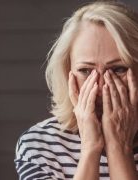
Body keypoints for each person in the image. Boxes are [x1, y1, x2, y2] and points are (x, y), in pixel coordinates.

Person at [14, 1, 138, 179]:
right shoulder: (39, 145)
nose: (101, 87)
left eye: (118, 69)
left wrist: (119, 147)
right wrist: (90, 148)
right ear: (67, 73)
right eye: (86, 71)